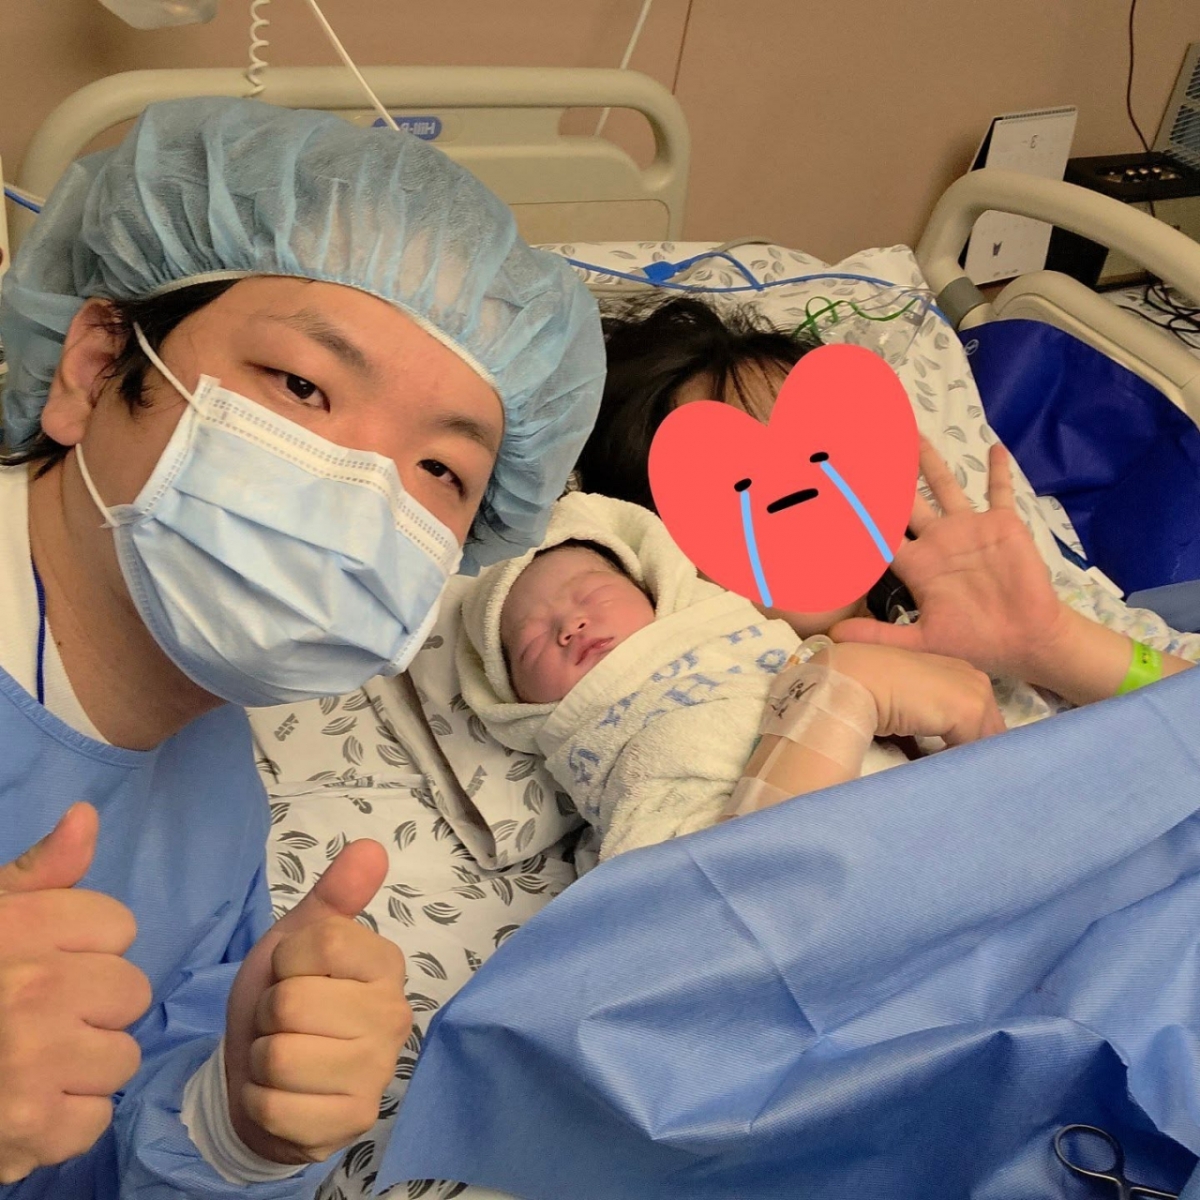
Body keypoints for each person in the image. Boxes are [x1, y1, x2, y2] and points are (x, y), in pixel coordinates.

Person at [0, 94, 603, 1198]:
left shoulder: (212, 797)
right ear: (93, 365)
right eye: (301, 387)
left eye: (441, 472)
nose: (363, 494)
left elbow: (83, 1149)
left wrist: (230, 1125)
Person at [575, 295, 1195, 709]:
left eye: (824, 451)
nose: (801, 492)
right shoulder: (695, 699)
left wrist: (1052, 646)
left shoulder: (1011, 597)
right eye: (737, 481)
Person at [457, 490, 1005, 862]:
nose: (569, 625)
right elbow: (694, 904)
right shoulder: (625, 770)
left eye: (591, 594)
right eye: (529, 643)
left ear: (657, 589)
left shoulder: (754, 642)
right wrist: (840, 699)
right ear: (516, 701)